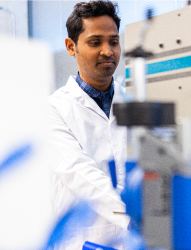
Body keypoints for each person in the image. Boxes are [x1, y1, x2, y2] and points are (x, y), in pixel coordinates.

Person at [46, 1, 128, 249]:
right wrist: (133, 215)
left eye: (113, 42)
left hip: (134, 241)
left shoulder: (135, 103)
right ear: (71, 46)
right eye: (95, 42)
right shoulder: (53, 109)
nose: (108, 51)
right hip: (83, 240)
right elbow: (78, 172)